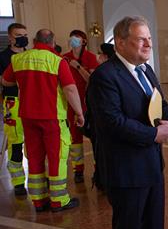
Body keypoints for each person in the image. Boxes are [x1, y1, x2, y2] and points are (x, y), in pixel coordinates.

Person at [87, 16, 168, 229]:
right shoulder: (105, 76)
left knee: (154, 219)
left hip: (152, 162)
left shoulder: (147, 71)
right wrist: (153, 135)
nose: (148, 44)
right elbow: (111, 123)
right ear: (120, 42)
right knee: (128, 227)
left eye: (149, 39)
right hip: (125, 167)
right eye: (141, 39)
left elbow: (162, 103)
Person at [2, 29, 83, 212]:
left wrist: (26, 82)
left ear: (33, 40)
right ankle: (59, 200)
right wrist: (79, 113)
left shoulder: (18, 60)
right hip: (52, 118)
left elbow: (6, 82)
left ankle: (38, 200)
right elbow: (70, 89)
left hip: (28, 118)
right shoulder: (57, 61)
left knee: (35, 156)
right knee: (57, 157)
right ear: (53, 42)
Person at [63, 30, 99, 183]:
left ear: (84, 41)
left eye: (77, 38)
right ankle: (78, 169)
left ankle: (99, 168)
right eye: (72, 37)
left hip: (88, 103)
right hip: (70, 103)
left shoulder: (90, 57)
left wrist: (78, 66)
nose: (73, 40)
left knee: (94, 136)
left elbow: (93, 80)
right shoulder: (63, 58)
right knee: (74, 138)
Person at [0, 23, 28, 196]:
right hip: (13, 102)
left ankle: (39, 176)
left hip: (32, 101)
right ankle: (18, 181)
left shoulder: (30, 55)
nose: (22, 37)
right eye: (18, 35)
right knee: (16, 141)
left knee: (34, 141)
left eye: (25, 34)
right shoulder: (3, 57)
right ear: (10, 37)